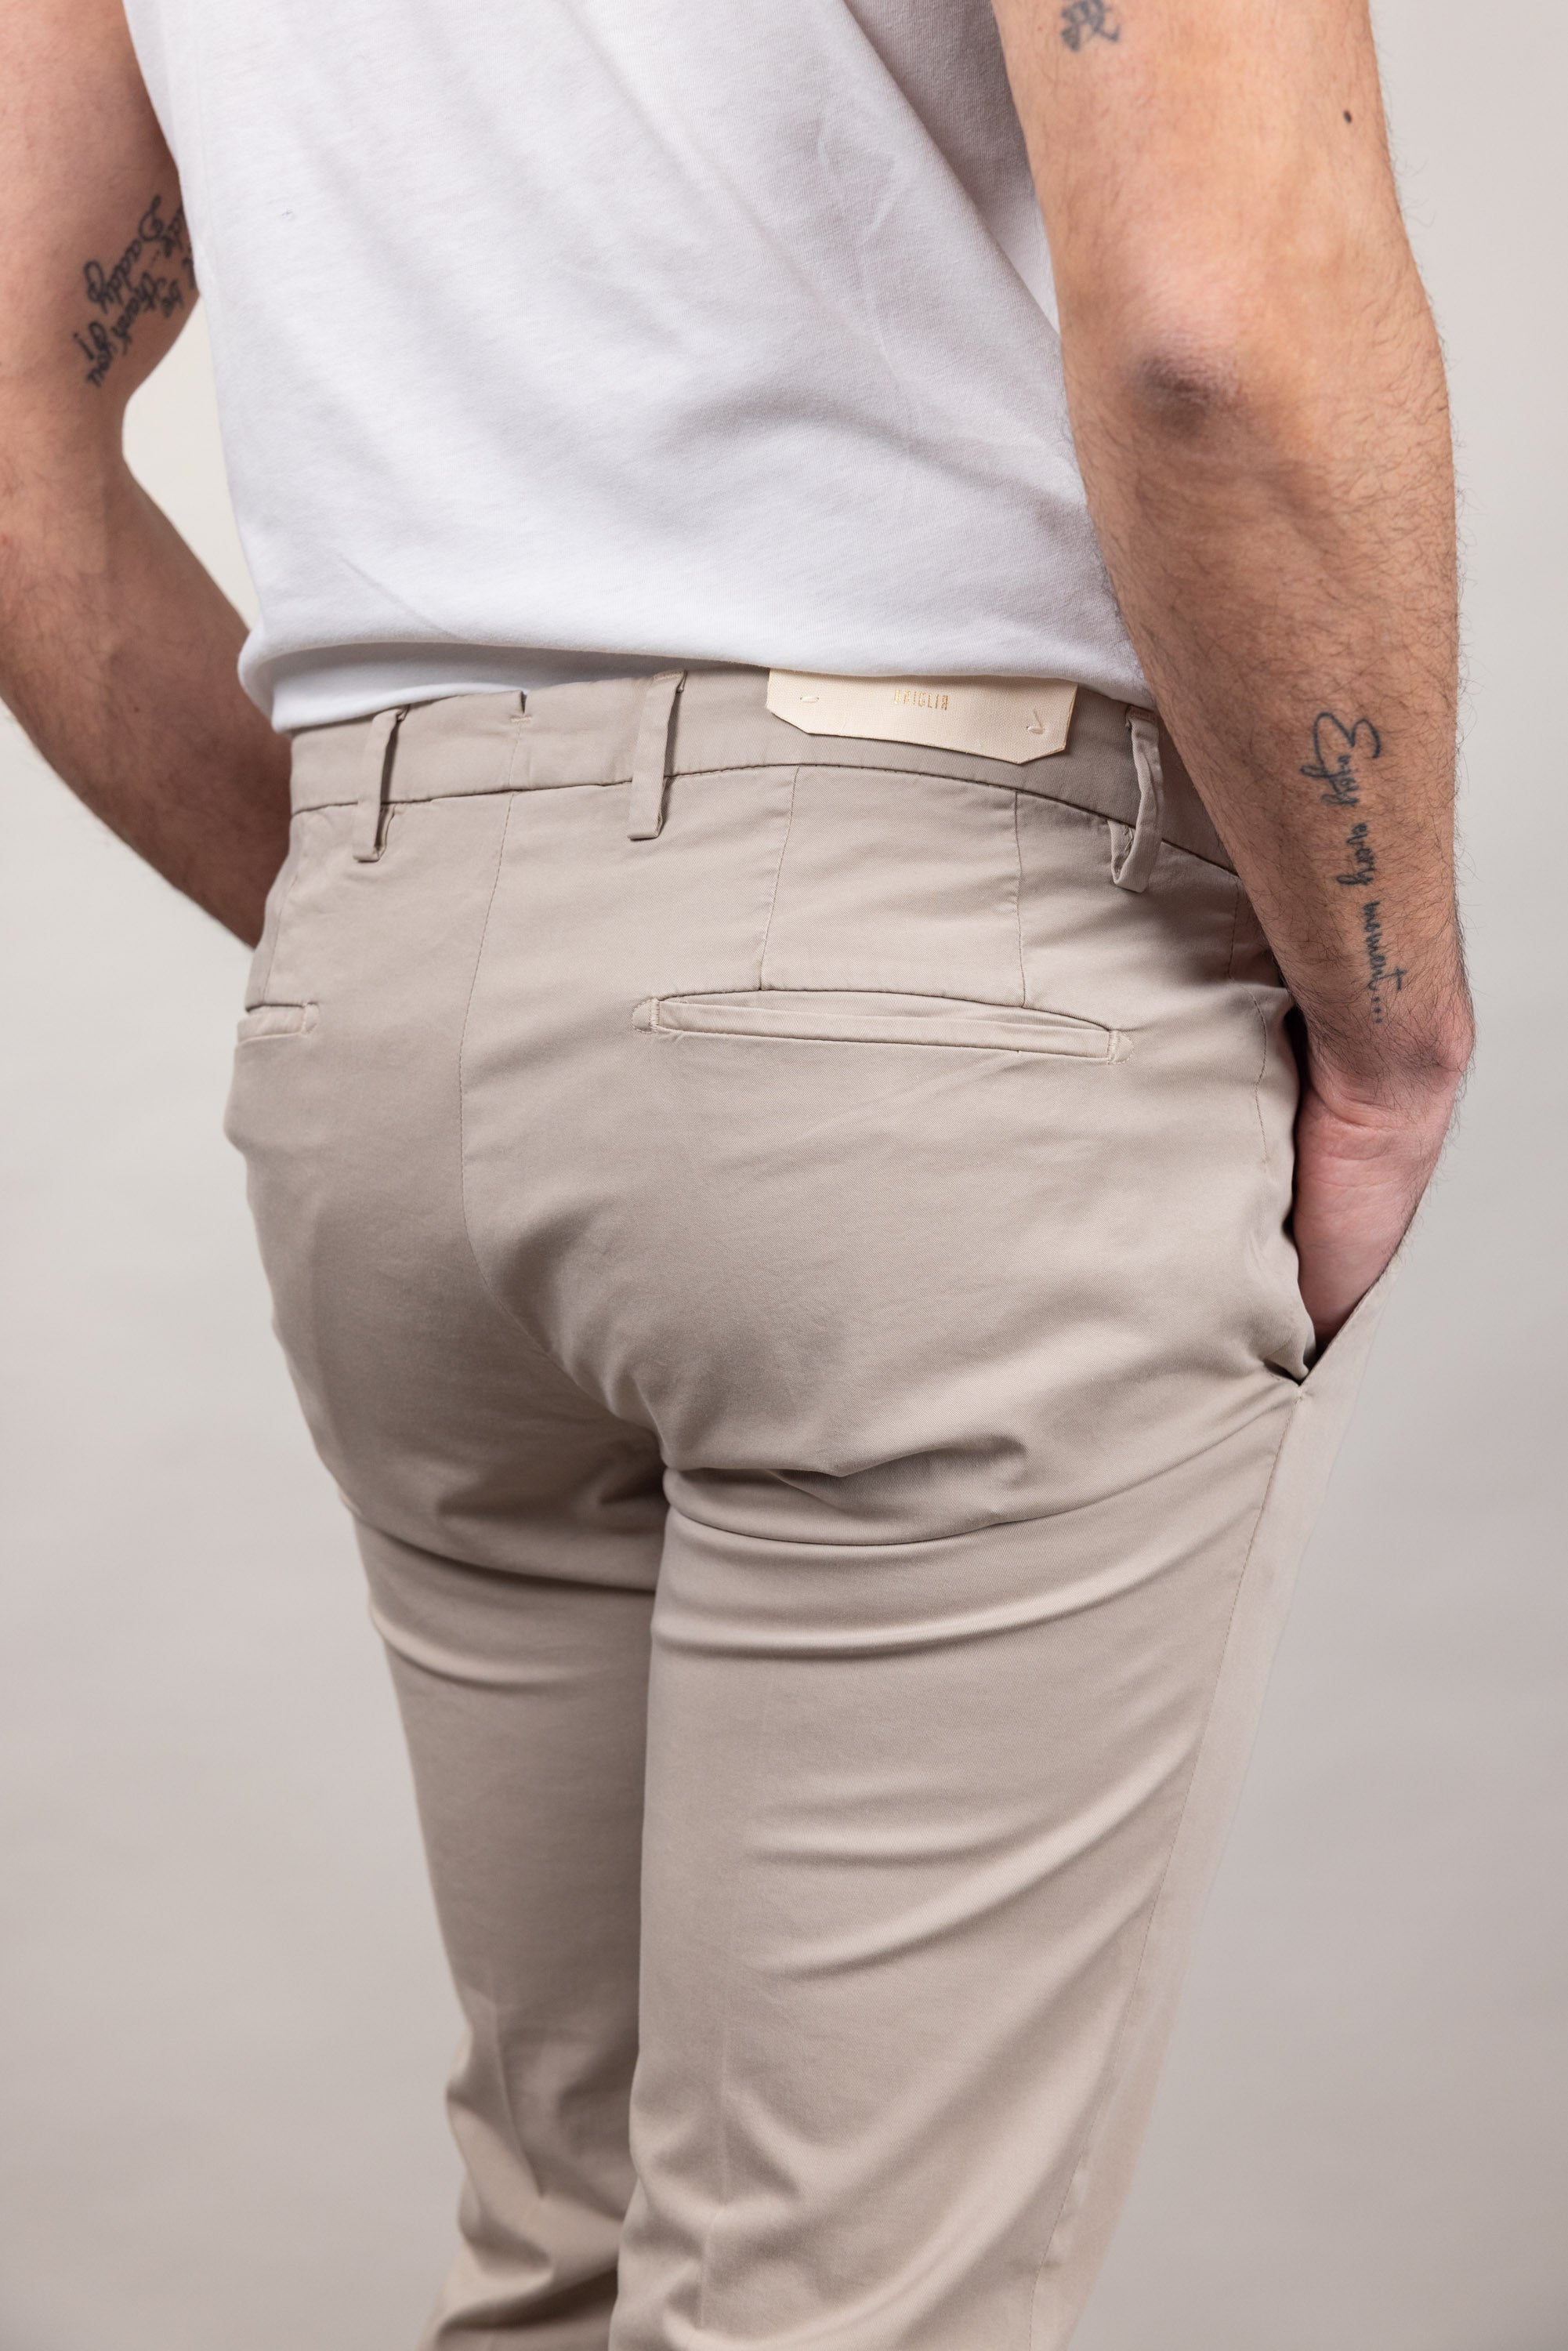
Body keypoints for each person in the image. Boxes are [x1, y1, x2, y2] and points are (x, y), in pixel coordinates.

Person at [0, 0, 1472, 2343]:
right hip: (931, 1008)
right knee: (828, 2305)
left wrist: (407, 921)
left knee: (565, 2250)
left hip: (388, 987)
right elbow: (1210, 333)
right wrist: (1390, 1028)